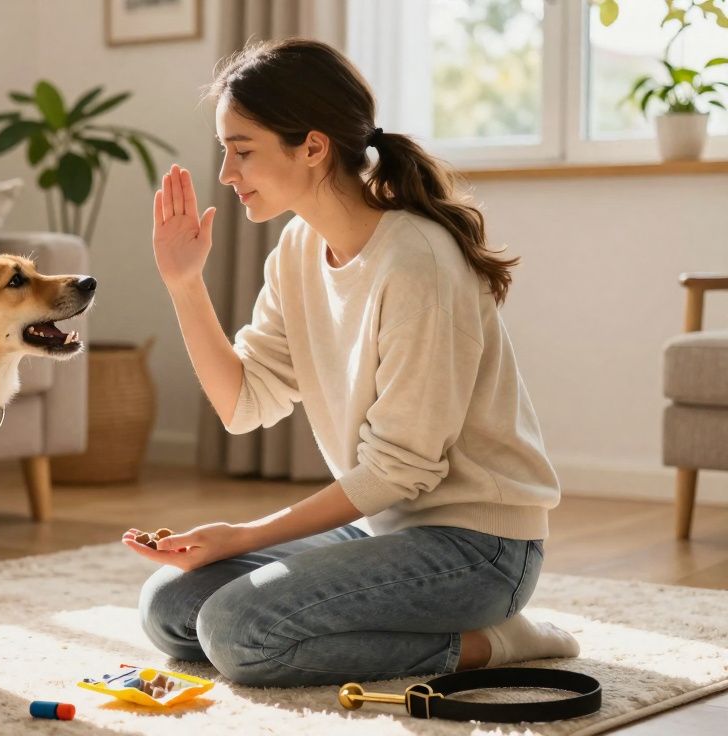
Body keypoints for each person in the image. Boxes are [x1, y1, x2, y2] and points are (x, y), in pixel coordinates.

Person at [122, 38, 579, 687]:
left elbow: (401, 470)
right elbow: (242, 404)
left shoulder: (417, 262)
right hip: (382, 532)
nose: (226, 171)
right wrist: (183, 283)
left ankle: (494, 642)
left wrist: (244, 535)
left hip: (480, 550)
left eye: (243, 149)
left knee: (237, 632)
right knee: (169, 608)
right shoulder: (297, 250)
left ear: (312, 146)